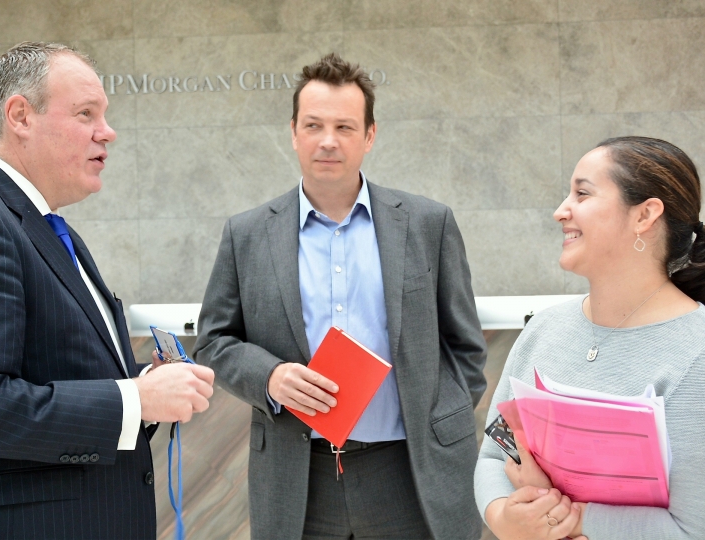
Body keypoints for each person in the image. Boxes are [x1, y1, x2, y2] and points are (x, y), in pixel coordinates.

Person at [0, 42, 215, 539]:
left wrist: (145, 383)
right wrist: (134, 400)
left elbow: (58, 371)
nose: (107, 132)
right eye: (86, 113)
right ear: (20, 116)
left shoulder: (46, 228)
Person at [194, 53, 487, 540]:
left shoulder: (427, 224)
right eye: (314, 125)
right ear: (293, 132)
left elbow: (466, 346)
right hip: (298, 477)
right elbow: (213, 341)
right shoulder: (246, 234)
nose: (328, 141)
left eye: (345, 127)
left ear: (369, 136)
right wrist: (269, 376)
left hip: (410, 470)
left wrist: (439, 416)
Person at [474, 136, 705, 539]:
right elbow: (493, 456)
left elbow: (702, 530)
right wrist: (506, 518)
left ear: (645, 215)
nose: (561, 211)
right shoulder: (543, 330)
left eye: (582, 193)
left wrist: (563, 515)